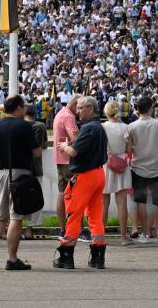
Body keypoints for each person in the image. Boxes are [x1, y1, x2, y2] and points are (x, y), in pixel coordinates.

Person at [0, 94, 40, 271]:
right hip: (20, 173)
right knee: (16, 216)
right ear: (19, 108)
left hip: (0, 173)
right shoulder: (25, 126)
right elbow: (36, 152)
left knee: (0, 216)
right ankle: (12, 259)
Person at [53, 96, 108, 270]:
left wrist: (63, 147)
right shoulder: (98, 127)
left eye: (81, 108)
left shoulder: (88, 128)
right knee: (95, 215)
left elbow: (74, 152)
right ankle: (98, 256)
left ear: (91, 109)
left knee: (74, 213)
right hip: (98, 173)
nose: (77, 111)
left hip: (85, 175)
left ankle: (66, 254)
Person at [128, 96, 158, 243]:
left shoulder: (132, 126)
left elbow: (128, 147)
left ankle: (145, 234)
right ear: (150, 108)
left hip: (137, 167)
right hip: (155, 166)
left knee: (140, 201)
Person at [101, 99, 132, 246]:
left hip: (106, 164)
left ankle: (100, 235)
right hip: (121, 164)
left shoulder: (102, 127)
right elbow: (129, 150)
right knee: (122, 204)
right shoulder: (126, 127)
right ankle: (124, 237)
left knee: (103, 203)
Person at [52, 95, 79, 238]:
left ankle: (63, 228)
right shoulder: (69, 117)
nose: (79, 111)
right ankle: (73, 228)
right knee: (72, 194)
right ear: (74, 105)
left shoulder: (60, 113)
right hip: (69, 160)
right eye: (79, 107)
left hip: (60, 158)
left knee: (62, 193)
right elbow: (75, 138)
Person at [24, 104, 48, 240]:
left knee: (19, 198)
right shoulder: (40, 126)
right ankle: (30, 228)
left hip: (21, 167)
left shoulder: (20, 125)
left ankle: (15, 225)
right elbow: (44, 145)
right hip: (37, 167)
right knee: (36, 199)